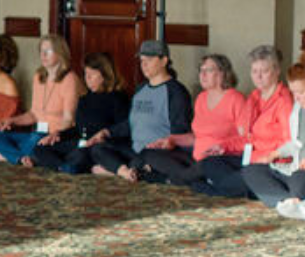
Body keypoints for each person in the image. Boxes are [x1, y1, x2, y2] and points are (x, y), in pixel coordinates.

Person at [241, 51, 305, 210]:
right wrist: (273, 155)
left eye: (301, 92)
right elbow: (296, 144)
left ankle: (296, 200)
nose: (296, 98)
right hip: (296, 169)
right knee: (251, 171)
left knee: (299, 181)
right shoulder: (299, 109)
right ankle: (288, 201)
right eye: (293, 92)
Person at [190, 45, 294, 199]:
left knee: (246, 174)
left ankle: (221, 189)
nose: (258, 77)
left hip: (271, 162)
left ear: (277, 71)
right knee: (210, 162)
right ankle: (240, 188)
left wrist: (266, 156)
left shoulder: (284, 101)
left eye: (264, 71)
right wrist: (223, 146)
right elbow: (247, 137)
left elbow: (289, 144)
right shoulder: (254, 97)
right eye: (254, 71)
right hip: (249, 158)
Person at [86, 39, 193, 181]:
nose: (144, 65)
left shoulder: (176, 92)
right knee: (98, 148)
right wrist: (107, 132)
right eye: (142, 60)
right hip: (135, 151)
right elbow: (131, 124)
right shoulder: (141, 89)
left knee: (143, 160)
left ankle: (119, 170)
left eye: (149, 60)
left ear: (164, 61)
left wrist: (161, 147)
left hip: (158, 153)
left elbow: (180, 131)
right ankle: (126, 172)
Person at [139, 54, 248, 187]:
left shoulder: (236, 99)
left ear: (222, 73)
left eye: (207, 70)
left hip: (220, 160)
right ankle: (190, 179)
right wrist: (171, 139)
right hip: (196, 158)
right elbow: (196, 137)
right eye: (200, 71)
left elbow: (246, 138)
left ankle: (173, 179)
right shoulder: (201, 98)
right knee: (149, 153)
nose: (202, 75)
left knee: (207, 164)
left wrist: (223, 147)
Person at [0, 34, 82, 165]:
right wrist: (9, 121)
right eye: (41, 51)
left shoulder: (70, 79)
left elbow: (68, 119)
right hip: (35, 135)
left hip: (53, 138)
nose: (43, 55)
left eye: (48, 51)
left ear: (60, 53)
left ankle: (9, 156)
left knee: (35, 140)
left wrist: (54, 135)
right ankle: (20, 157)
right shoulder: (38, 76)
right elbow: (33, 114)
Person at [30, 52, 130, 175]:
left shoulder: (118, 98)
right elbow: (78, 129)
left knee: (80, 154)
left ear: (104, 75)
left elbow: (122, 130)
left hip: (99, 146)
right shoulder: (84, 99)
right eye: (85, 74)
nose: (87, 79)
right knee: (40, 148)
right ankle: (64, 167)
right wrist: (58, 134)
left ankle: (68, 165)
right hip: (80, 142)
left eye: (91, 75)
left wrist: (101, 138)